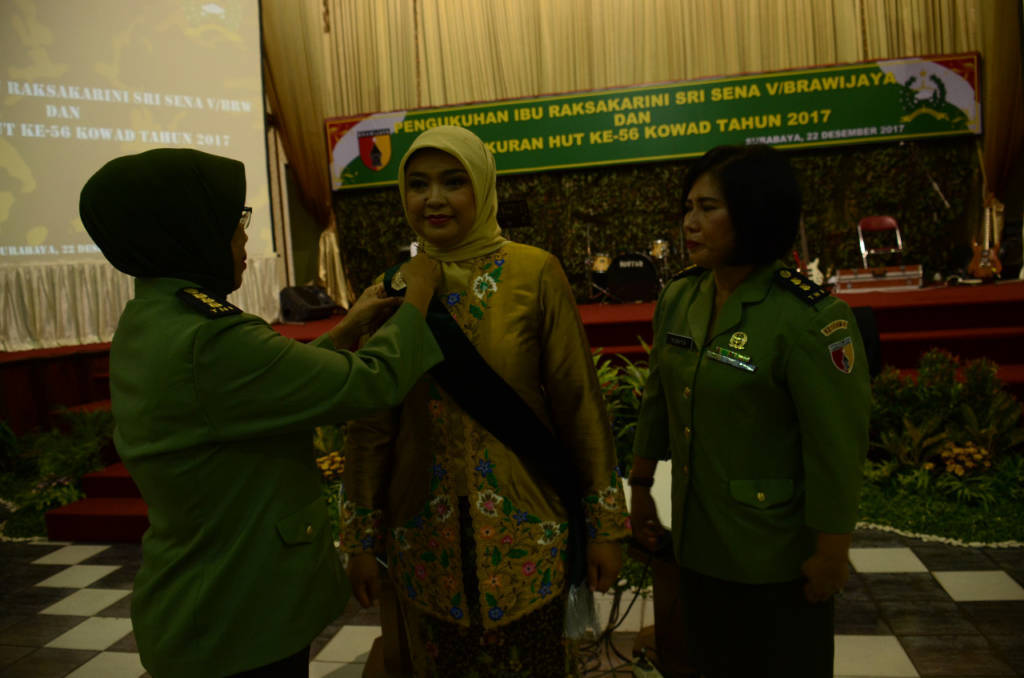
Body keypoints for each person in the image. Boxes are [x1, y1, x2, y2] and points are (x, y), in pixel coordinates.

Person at [78, 148, 444, 677]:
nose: (245, 237)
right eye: (235, 223)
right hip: (233, 618)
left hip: (209, 601)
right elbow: (372, 382)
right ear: (189, 233)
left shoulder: (156, 318)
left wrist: (346, 327)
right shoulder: (210, 338)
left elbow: (265, 387)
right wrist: (420, 296)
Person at [340, 125, 628, 677]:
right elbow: (371, 425)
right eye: (419, 185)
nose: (434, 199)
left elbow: (579, 405)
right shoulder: (391, 289)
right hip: (426, 546)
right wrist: (359, 539)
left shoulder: (534, 272)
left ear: (483, 185)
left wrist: (604, 528)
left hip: (530, 537)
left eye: (453, 182)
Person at [628, 145, 871, 677]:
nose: (690, 222)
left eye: (708, 208)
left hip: (775, 556)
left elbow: (836, 446)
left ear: (757, 210)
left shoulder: (809, 318)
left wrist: (832, 552)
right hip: (697, 544)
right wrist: (641, 489)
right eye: (688, 207)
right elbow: (658, 400)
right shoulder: (680, 298)